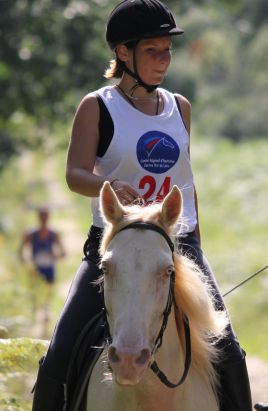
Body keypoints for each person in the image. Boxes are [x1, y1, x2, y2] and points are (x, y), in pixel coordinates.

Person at [31, 1, 252, 410]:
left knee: (230, 351)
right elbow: (74, 174)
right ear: (122, 53)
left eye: (167, 50)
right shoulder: (97, 107)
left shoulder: (179, 107)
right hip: (115, 241)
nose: (164, 60)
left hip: (177, 244)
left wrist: (196, 247)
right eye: (153, 50)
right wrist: (107, 184)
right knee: (60, 352)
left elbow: (186, 182)